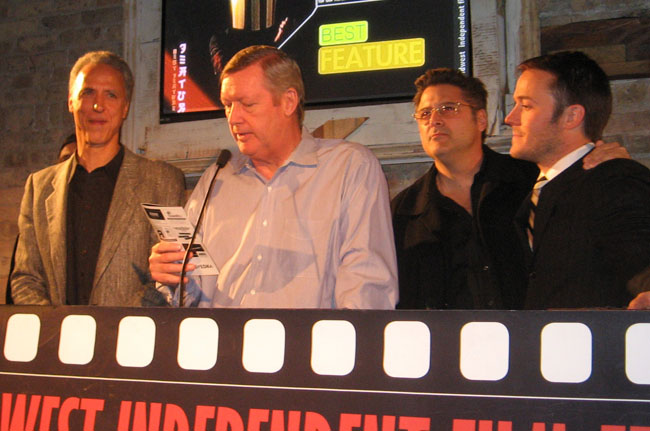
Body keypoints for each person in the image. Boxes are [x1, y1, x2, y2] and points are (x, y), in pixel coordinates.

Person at [149, 45, 397, 308]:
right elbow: (189, 296)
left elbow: (367, 292)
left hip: (306, 347)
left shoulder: (349, 168)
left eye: (247, 104)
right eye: (227, 105)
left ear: (288, 102)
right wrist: (174, 276)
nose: (234, 118)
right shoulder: (217, 176)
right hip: (220, 346)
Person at [391, 68, 632, 310]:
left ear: (481, 119)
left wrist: (605, 165)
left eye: (448, 108)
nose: (434, 120)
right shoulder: (402, 212)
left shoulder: (534, 181)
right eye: (424, 113)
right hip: (450, 345)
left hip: (536, 339)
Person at [11, 50, 186, 306]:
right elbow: (26, 278)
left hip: (129, 339)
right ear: (71, 101)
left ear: (125, 107)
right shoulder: (38, 187)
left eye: (111, 95)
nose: (98, 105)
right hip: (55, 342)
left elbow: (165, 279)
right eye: (87, 92)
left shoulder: (163, 181)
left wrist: (108, 332)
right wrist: (56, 333)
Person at [505, 51, 650, 309]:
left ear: (571, 116)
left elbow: (641, 267)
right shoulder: (531, 194)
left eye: (526, 106)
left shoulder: (616, 182)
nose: (510, 118)